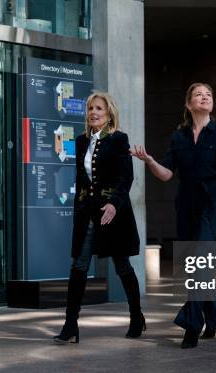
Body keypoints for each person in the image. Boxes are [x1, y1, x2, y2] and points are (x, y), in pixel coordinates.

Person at [131, 82, 216, 348]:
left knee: (201, 264)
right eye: (198, 94)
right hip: (186, 206)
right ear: (189, 104)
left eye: (209, 95)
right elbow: (167, 174)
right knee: (198, 266)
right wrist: (150, 161)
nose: (204, 97)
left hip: (213, 205)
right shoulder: (178, 136)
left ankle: (191, 324)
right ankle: (213, 317)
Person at [54, 91, 145, 344]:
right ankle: (71, 323)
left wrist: (114, 205)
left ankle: (136, 316)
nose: (93, 112)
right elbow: (81, 179)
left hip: (113, 214)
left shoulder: (119, 139)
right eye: (91, 108)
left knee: (122, 265)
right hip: (87, 214)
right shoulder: (82, 141)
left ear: (109, 114)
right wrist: (78, 213)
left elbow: (125, 178)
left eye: (99, 109)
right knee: (79, 265)